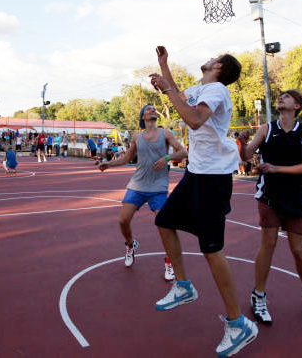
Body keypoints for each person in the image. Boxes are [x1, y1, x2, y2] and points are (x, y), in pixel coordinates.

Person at [149, 46, 258, 357]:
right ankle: (183, 287)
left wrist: (169, 91)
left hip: (213, 179)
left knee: (212, 251)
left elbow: (194, 119)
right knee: (164, 221)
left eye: (215, 57)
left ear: (220, 67)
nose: (209, 58)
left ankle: (239, 324)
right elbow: (180, 97)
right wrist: (164, 68)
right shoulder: (201, 88)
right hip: (196, 173)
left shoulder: (218, 90)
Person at [241, 90, 302, 327]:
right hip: (269, 195)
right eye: (280, 97)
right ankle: (258, 296)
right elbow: (247, 155)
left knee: (298, 251)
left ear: (297, 105)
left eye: (287, 97)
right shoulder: (267, 129)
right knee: (267, 245)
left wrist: (276, 168)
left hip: (296, 196)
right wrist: (243, 142)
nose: (281, 98)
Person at [98, 104, 187, 280]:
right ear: (143, 117)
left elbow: (183, 152)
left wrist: (167, 157)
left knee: (166, 226)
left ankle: (169, 261)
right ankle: (131, 245)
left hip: (158, 187)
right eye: (148, 109)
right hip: (138, 184)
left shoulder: (166, 134)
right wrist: (108, 164)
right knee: (123, 220)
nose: (152, 110)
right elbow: (127, 158)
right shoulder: (137, 137)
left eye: (154, 108)